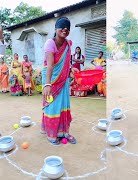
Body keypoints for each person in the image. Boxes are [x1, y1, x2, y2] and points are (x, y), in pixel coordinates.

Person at [42, 17, 78, 145]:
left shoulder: (68, 44)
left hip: (63, 80)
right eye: (62, 27)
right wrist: (47, 84)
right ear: (56, 29)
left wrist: (71, 68)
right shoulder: (49, 43)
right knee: (52, 105)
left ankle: (64, 132)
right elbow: (50, 65)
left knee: (63, 104)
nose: (65, 29)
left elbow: (67, 61)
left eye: (67, 28)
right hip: (50, 78)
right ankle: (51, 133)